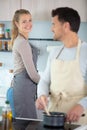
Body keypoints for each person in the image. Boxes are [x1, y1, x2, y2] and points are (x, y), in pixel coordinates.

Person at [36, 7, 87, 125]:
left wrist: (81, 105)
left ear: (66, 26)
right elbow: (44, 80)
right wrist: (42, 95)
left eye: (54, 24)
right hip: (53, 118)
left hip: (79, 120)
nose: (51, 28)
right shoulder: (55, 52)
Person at [10, 9, 40, 118]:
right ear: (16, 24)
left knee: (26, 123)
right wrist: (46, 85)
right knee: (28, 124)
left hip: (25, 87)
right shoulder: (22, 43)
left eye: (30, 20)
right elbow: (32, 73)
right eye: (24, 21)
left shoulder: (21, 40)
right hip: (24, 88)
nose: (28, 24)